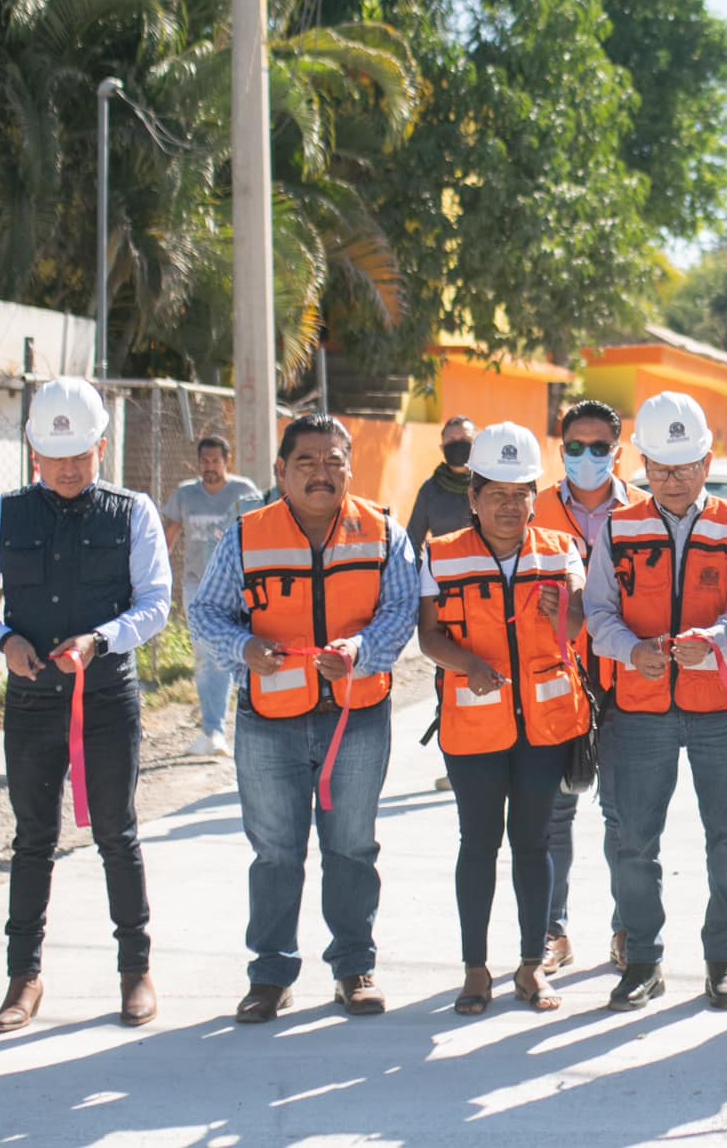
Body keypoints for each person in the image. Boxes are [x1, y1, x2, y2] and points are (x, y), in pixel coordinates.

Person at [190, 413, 418, 1024]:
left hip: (356, 716)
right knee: (275, 852)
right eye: (307, 462)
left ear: (350, 466)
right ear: (281, 471)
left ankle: (353, 968)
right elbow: (207, 612)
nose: (322, 473)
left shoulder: (383, 532)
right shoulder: (245, 535)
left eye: (334, 461)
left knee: (350, 848)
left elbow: (401, 609)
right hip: (270, 719)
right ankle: (270, 974)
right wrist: (244, 651)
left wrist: (361, 652)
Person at [0, 378, 171, 1033]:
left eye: (80, 454)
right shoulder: (2, 514)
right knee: (32, 839)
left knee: (117, 833)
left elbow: (156, 603)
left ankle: (134, 971)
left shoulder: (132, 511)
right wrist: (3, 640)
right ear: (33, 451)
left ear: (102, 449)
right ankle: (23, 978)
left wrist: (101, 639)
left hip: (107, 698)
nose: (67, 467)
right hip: (31, 704)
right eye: (54, 455)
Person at [586, 393, 727, 1011]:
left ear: (707, 461)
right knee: (634, 841)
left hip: (718, 705)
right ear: (642, 463)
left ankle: (724, 960)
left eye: (684, 465)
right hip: (638, 710)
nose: (671, 478)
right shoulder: (617, 527)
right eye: (660, 466)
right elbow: (598, 612)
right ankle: (642, 961)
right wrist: (630, 650)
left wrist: (716, 641)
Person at [417, 422, 589, 1016]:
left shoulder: (561, 551)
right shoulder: (440, 555)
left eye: (522, 495)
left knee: (533, 842)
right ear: (474, 498)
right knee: (478, 843)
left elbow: (575, 631)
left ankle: (530, 966)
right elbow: (429, 638)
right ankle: (474, 969)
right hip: (473, 726)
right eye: (497, 495)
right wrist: (468, 663)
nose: (511, 507)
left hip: (543, 728)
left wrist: (563, 609)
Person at [531, 399, 648, 976]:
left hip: (625, 680)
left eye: (599, 448)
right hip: (558, 679)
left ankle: (627, 928)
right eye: (574, 447)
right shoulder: (534, 511)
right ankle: (552, 931)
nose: (586, 457)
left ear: (618, 452)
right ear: (560, 450)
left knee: (625, 816)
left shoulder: (647, 513)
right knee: (554, 812)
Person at [161, 435, 263, 758]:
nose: (209, 467)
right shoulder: (186, 494)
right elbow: (169, 534)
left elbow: (262, 532)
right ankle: (213, 730)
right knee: (206, 656)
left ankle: (238, 724)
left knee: (234, 653)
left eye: (215, 461)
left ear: (227, 462)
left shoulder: (244, 492)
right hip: (198, 586)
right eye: (204, 461)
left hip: (238, 587)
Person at [408, 415, 477, 553]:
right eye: (451, 441)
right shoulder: (430, 489)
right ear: (442, 447)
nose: (458, 445)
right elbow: (412, 543)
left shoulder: (488, 486)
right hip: (443, 571)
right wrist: (423, 571)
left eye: (465, 440)